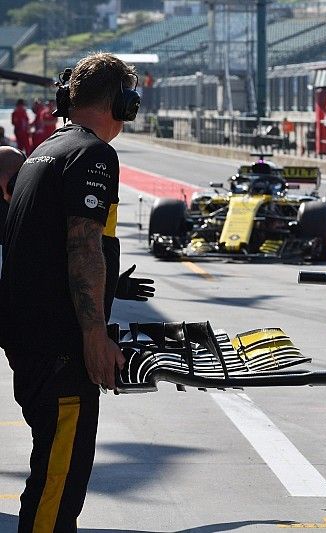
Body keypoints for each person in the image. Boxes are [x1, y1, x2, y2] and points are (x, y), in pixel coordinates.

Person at [0, 52, 149, 533]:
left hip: (33, 341)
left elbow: (39, 244)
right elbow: (83, 242)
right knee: (58, 482)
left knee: (54, 474)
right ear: (123, 103)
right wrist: (93, 336)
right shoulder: (94, 154)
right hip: (61, 347)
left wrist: (110, 282)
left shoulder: (46, 150)